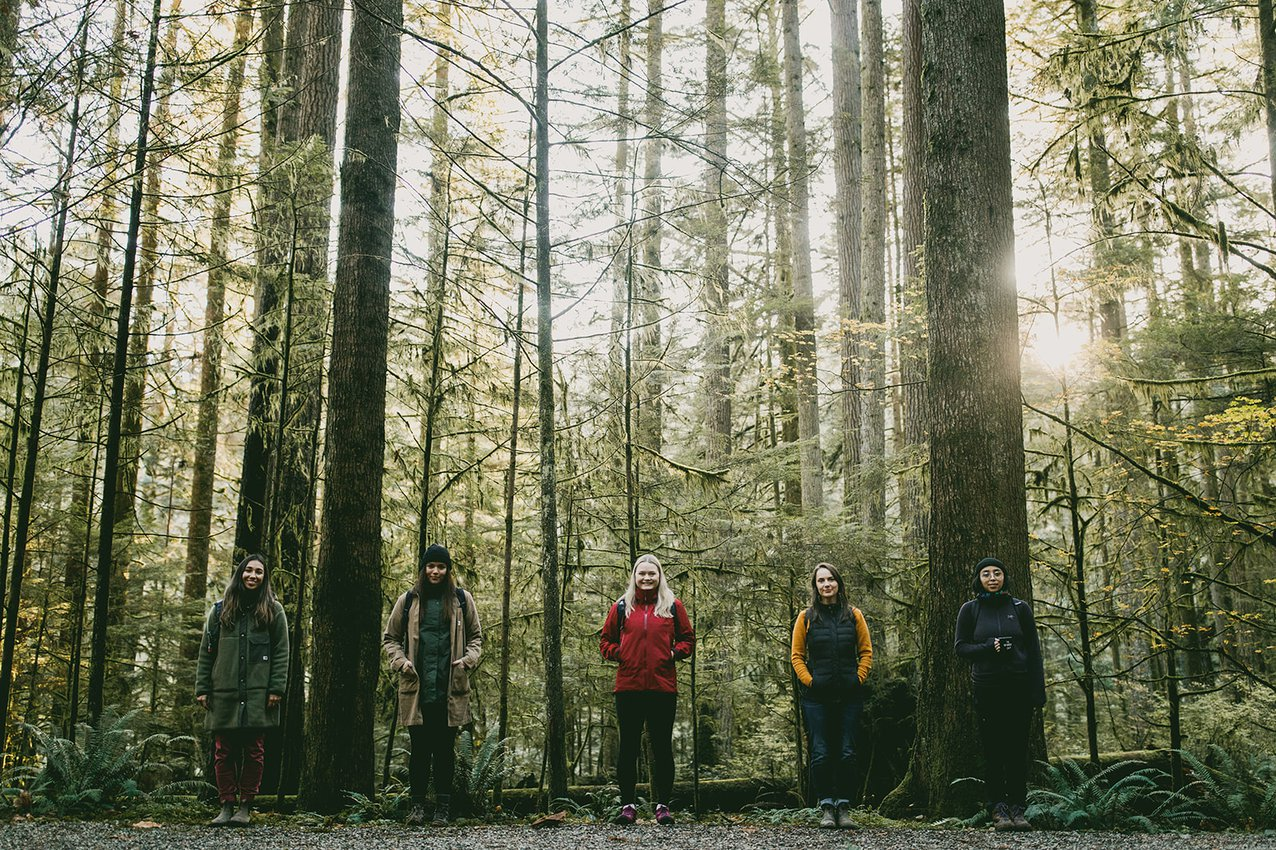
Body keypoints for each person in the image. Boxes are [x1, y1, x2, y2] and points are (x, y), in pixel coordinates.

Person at [383, 543, 482, 826]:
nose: (436, 571)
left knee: (444, 752)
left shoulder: (462, 600)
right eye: (431, 566)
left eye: (441, 566)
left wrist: (467, 660)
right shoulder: (409, 600)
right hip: (417, 689)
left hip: (450, 689)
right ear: (423, 569)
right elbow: (390, 638)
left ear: (448, 570)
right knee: (419, 751)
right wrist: (402, 663)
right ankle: (417, 807)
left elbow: (476, 638)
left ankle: (443, 808)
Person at [599, 553, 695, 826]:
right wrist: (621, 653)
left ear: (659, 576)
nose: (647, 577)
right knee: (628, 748)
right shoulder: (621, 606)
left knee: (662, 747)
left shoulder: (673, 606)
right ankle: (628, 806)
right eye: (642, 573)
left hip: (662, 687)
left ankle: (663, 806)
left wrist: (673, 653)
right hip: (628, 687)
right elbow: (605, 641)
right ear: (635, 576)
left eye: (652, 573)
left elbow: (688, 639)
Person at [195, 554, 289, 827]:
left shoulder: (274, 610)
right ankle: (226, 805)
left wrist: (276, 689)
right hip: (224, 692)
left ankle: (246, 806)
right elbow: (206, 652)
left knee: (254, 750)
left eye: (259, 572)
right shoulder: (220, 610)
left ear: (264, 578)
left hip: (259, 694)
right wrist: (203, 688)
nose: (253, 576)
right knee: (223, 751)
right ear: (240, 574)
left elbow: (282, 652)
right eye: (248, 571)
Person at [954, 556, 1046, 832]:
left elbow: (1034, 652)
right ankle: (997, 809)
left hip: (1018, 689)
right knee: (993, 750)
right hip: (987, 689)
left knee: (1017, 751)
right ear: (978, 579)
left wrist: (1037, 691)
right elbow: (961, 648)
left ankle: (1018, 808)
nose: (992, 578)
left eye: (997, 573)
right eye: (986, 574)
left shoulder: (1020, 608)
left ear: (1005, 577)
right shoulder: (970, 610)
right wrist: (987, 647)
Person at [790, 562, 873, 829]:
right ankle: (827, 807)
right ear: (815, 586)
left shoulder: (854, 615)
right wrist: (810, 682)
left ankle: (845, 807)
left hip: (849, 695)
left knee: (847, 751)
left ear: (839, 583)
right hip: (816, 697)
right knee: (821, 752)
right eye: (821, 581)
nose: (827, 585)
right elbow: (797, 656)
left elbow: (866, 652)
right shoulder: (806, 617)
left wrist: (858, 678)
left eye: (831, 580)